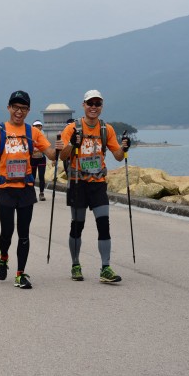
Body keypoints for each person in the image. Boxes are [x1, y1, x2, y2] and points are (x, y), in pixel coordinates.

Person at [0, 90, 62, 289]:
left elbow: (51, 154)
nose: (19, 111)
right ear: (9, 108)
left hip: (26, 188)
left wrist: (61, 147)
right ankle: (3, 257)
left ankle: (20, 274)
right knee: (7, 231)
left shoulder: (33, 132)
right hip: (5, 188)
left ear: (28, 110)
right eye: (15, 107)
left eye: (23, 108)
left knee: (24, 232)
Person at [59, 89, 130, 283]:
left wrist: (124, 148)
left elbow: (117, 156)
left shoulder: (106, 130)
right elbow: (62, 156)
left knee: (104, 224)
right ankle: (75, 265)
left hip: (98, 183)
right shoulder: (72, 128)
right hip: (77, 183)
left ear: (101, 107)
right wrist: (72, 144)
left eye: (97, 104)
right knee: (77, 225)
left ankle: (105, 268)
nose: (93, 107)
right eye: (90, 103)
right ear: (83, 105)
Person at [31, 120, 47, 201]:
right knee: (32, 177)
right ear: (33, 127)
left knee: (41, 176)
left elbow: (46, 147)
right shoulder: (30, 135)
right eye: (36, 126)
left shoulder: (43, 136)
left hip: (41, 159)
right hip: (32, 159)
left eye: (39, 126)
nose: (38, 127)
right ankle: (32, 193)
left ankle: (41, 193)